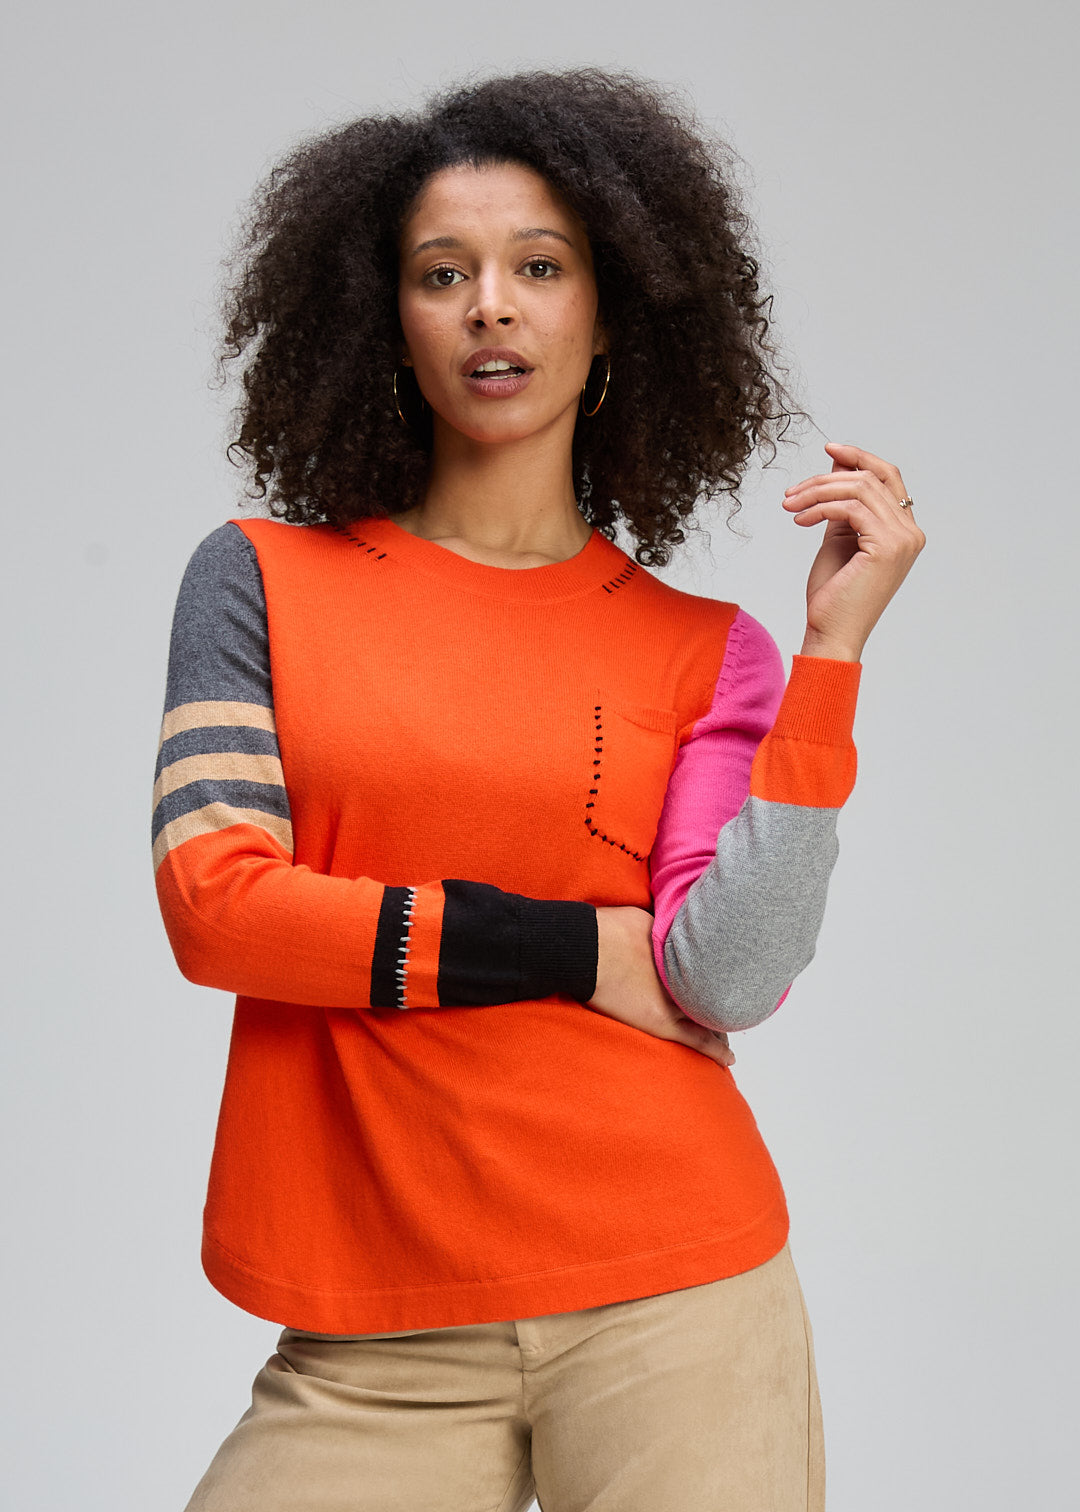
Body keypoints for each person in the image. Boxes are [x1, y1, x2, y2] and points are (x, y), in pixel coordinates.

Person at [153, 68, 923, 1512]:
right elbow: (219, 909)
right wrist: (570, 947)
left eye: (541, 268)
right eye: (443, 273)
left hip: (678, 1294)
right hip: (376, 1334)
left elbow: (724, 977)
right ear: (387, 319)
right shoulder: (258, 580)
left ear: (610, 313)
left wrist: (830, 656)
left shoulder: (708, 650)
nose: (491, 307)